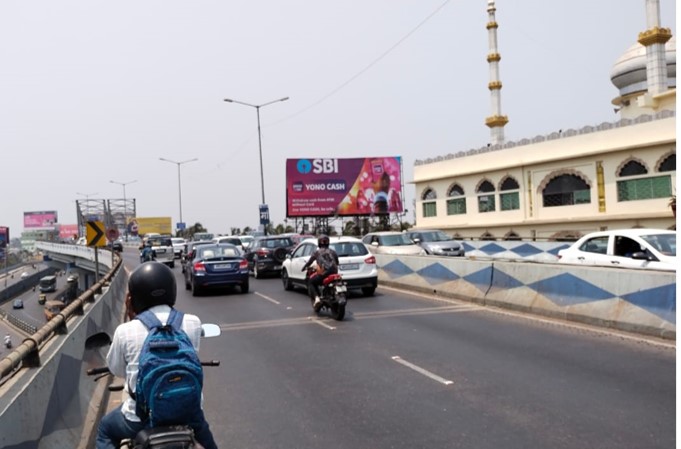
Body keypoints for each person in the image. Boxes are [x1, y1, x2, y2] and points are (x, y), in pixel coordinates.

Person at [96, 262, 218, 449]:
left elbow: (117, 370)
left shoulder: (125, 331)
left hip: (139, 418)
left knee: (105, 429)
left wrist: (131, 316)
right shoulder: (193, 322)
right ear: (172, 290)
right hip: (188, 414)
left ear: (133, 297)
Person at [301, 235, 339, 307]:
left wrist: (304, 267)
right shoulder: (333, 252)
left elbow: (309, 262)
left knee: (311, 282)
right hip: (334, 272)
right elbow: (337, 263)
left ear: (319, 243)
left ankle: (317, 298)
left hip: (323, 273)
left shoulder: (317, 252)